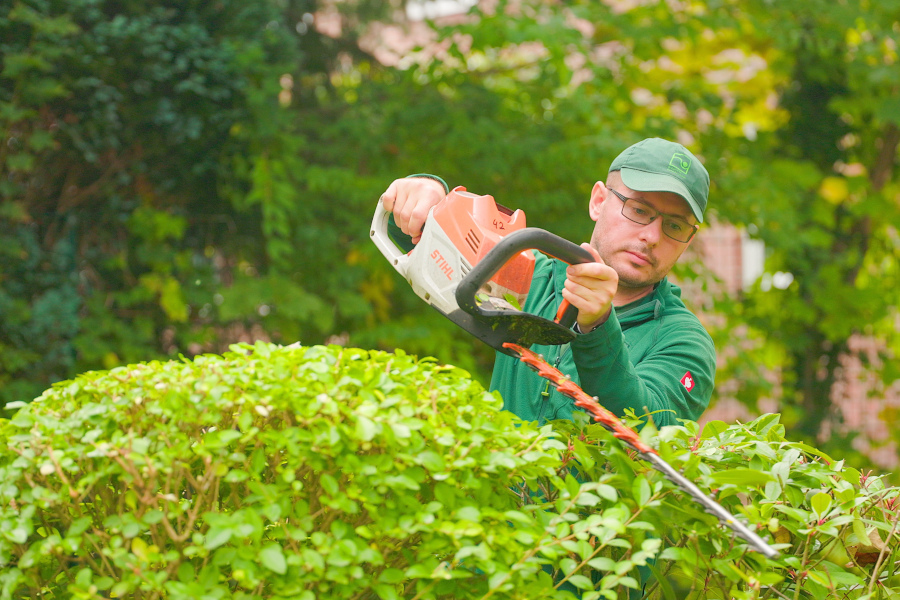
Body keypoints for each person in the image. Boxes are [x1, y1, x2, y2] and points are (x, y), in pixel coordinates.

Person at [380, 138, 716, 428]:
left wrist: (598, 326)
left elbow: (645, 430)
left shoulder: (683, 340)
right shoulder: (530, 275)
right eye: (640, 210)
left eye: (674, 226)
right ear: (599, 201)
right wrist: (424, 195)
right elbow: (422, 244)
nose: (652, 236)